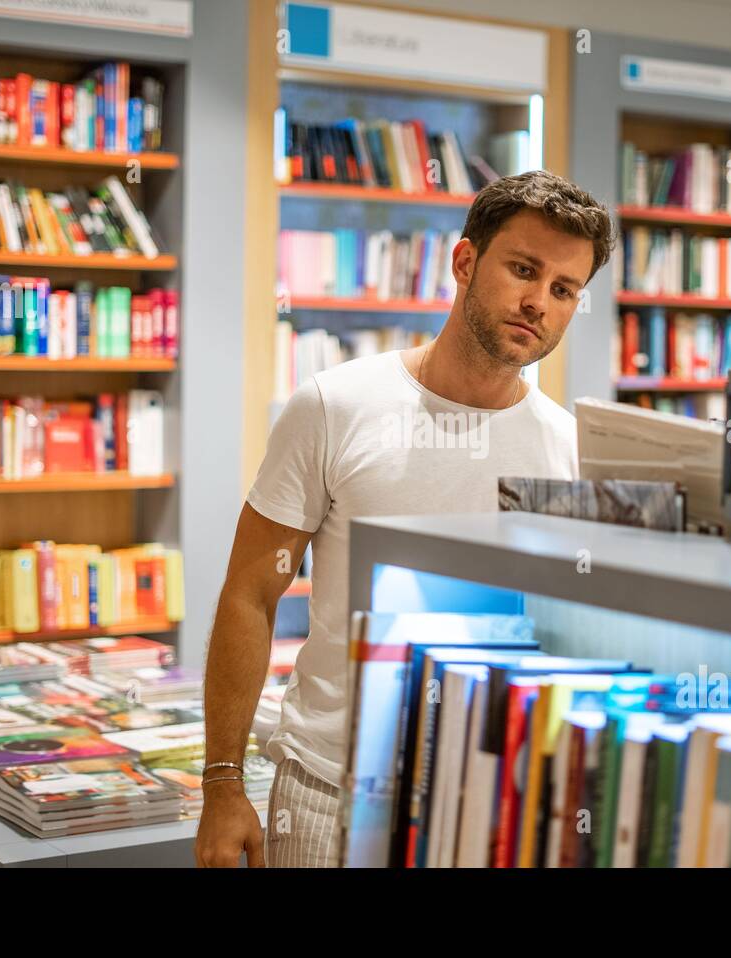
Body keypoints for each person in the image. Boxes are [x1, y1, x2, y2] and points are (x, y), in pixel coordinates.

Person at [194, 170, 615, 868]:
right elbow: (250, 593)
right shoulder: (334, 406)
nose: (539, 302)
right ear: (464, 262)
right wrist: (222, 782)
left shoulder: (568, 448)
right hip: (330, 792)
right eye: (523, 270)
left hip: (494, 803)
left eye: (564, 290)